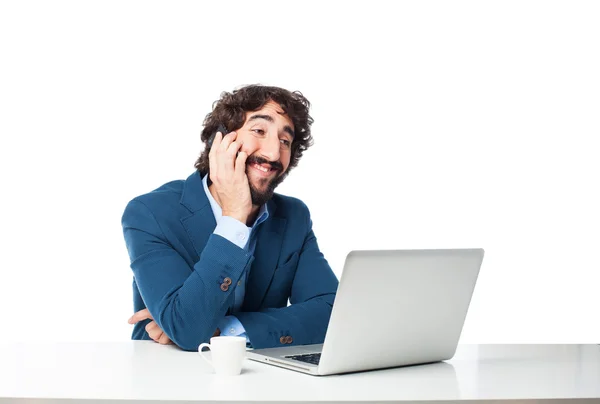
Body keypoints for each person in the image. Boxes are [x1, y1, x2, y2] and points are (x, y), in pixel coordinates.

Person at [121, 84, 339, 351]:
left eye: (285, 141)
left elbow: (334, 314)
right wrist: (234, 217)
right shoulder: (150, 213)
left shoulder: (294, 216)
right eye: (259, 131)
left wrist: (225, 329)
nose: (273, 154)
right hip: (170, 376)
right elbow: (189, 330)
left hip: (260, 380)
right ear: (221, 141)